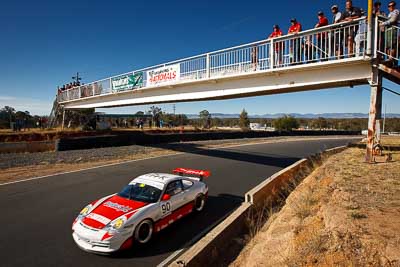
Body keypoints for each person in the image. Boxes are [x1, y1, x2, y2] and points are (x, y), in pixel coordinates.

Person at [381, 1, 400, 65]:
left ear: (394, 6)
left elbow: (393, 20)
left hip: (393, 29)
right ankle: (389, 58)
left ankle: (391, 58)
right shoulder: (389, 14)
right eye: (389, 6)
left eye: (392, 5)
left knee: (392, 44)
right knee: (388, 46)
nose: (391, 7)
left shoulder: (396, 11)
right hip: (388, 30)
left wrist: (383, 23)